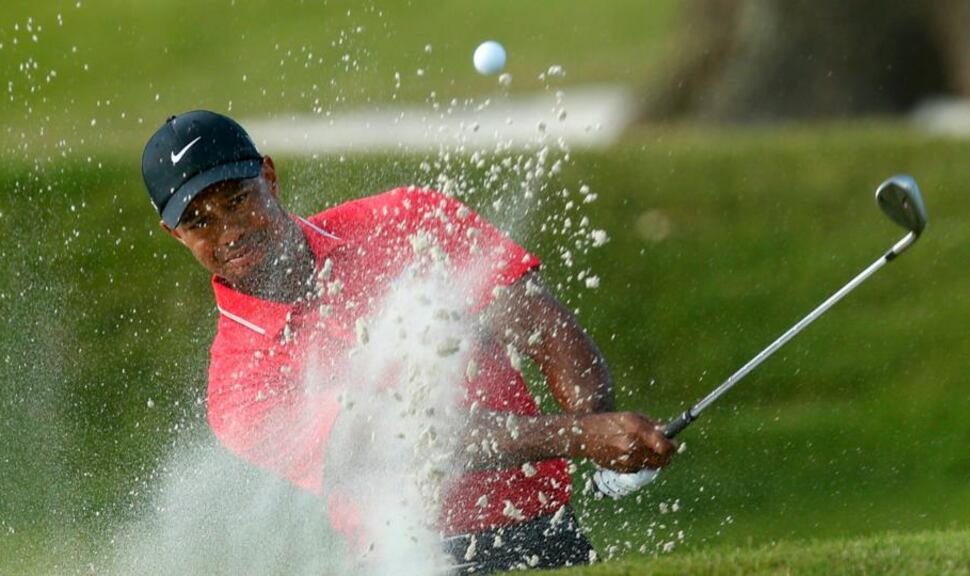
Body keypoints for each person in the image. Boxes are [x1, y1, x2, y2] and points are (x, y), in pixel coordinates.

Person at [141, 110, 674, 573]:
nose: (228, 231)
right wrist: (583, 436)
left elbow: (540, 324)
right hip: (413, 560)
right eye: (199, 222)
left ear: (269, 177)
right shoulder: (237, 388)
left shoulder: (403, 219)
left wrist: (600, 423)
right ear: (175, 236)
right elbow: (412, 439)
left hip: (547, 528)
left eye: (237, 200)